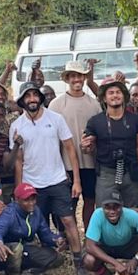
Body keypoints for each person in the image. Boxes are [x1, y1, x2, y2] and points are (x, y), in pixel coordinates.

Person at [11, 82, 89, 275]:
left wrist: (76, 181)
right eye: (27, 96)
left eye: (35, 95)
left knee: (69, 221)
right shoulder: (17, 125)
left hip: (57, 180)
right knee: (39, 223)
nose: (32, 100)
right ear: (22, 100)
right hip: (32, 183)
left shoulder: (55, 119)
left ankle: (79, 262)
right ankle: (45, 260)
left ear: (40, 98)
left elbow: (70, 148)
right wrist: (19, 189)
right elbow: (18, 160)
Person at [0, 183, 66, 275]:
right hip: (0, 254)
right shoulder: (9, 212)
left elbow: (45, 233)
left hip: (22, 249)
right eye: (26, 200)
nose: (31, 203)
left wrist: (57, 240)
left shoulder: (36, 211)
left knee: (55, 258)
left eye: (33, 199)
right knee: (16, 249)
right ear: (17, 200)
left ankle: (22, 273)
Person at [48, 61, 102, 228]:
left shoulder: (94, 104)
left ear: (84, 78)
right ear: (67, 79)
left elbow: (101, 132)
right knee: (67, 203)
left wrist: (94, 142)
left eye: (80, 75)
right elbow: (52, 139)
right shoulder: (56, 104)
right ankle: (67, 237)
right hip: (66, 164)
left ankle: (88, 234)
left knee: (90, 200)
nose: (77, 79)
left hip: (90, 162)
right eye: (73, 76)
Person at [81, 78, 138, 210]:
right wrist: (85, 146)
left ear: (123, 96)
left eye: (118, 92)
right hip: (107, 173)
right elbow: (88, 147)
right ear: (104, 99)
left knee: (134, 211)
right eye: (111, 93)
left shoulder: (135, 119)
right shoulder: (95, 121)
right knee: (105, 211)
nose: (115, 95)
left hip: (131, 172)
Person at [81, 195, 138, 275]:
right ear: (102, 207)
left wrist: (136, 258)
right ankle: (103, 274)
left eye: (116, 207)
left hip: (128, 245)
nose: (112, 211)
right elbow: (89, 246)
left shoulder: (130, 215)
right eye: (108, 207)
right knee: (89, 260)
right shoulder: (97, 215)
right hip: (105, 247)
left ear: (122, 206)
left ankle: (136, 272)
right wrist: (115, 263)